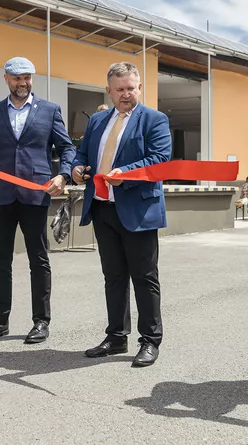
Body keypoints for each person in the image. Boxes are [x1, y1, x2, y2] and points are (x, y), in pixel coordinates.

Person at [0, 56, 75, 344]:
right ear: (6, 79)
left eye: (27, 77)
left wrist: (64, 176)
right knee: (1, 262)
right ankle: (0, 321)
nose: (23, 82)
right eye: (17, 77)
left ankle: (41, 321)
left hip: (35, 194)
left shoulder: (49, 110)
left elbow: (67, 148)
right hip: (1, 196)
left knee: (39, 259)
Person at [71, 62, 171, 367]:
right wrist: (75, 168)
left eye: (132, 88)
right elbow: (83, 153)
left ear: (139, 87)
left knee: (144, 277)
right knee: (113, 277)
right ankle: (116, 337)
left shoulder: (154, 119)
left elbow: (160, 159)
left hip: (138, 210)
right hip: (103, 208)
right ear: (109, 90)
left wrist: (124, 173)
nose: (126, 94)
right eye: (120, 89)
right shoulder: (98, 120)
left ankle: (150, 340)